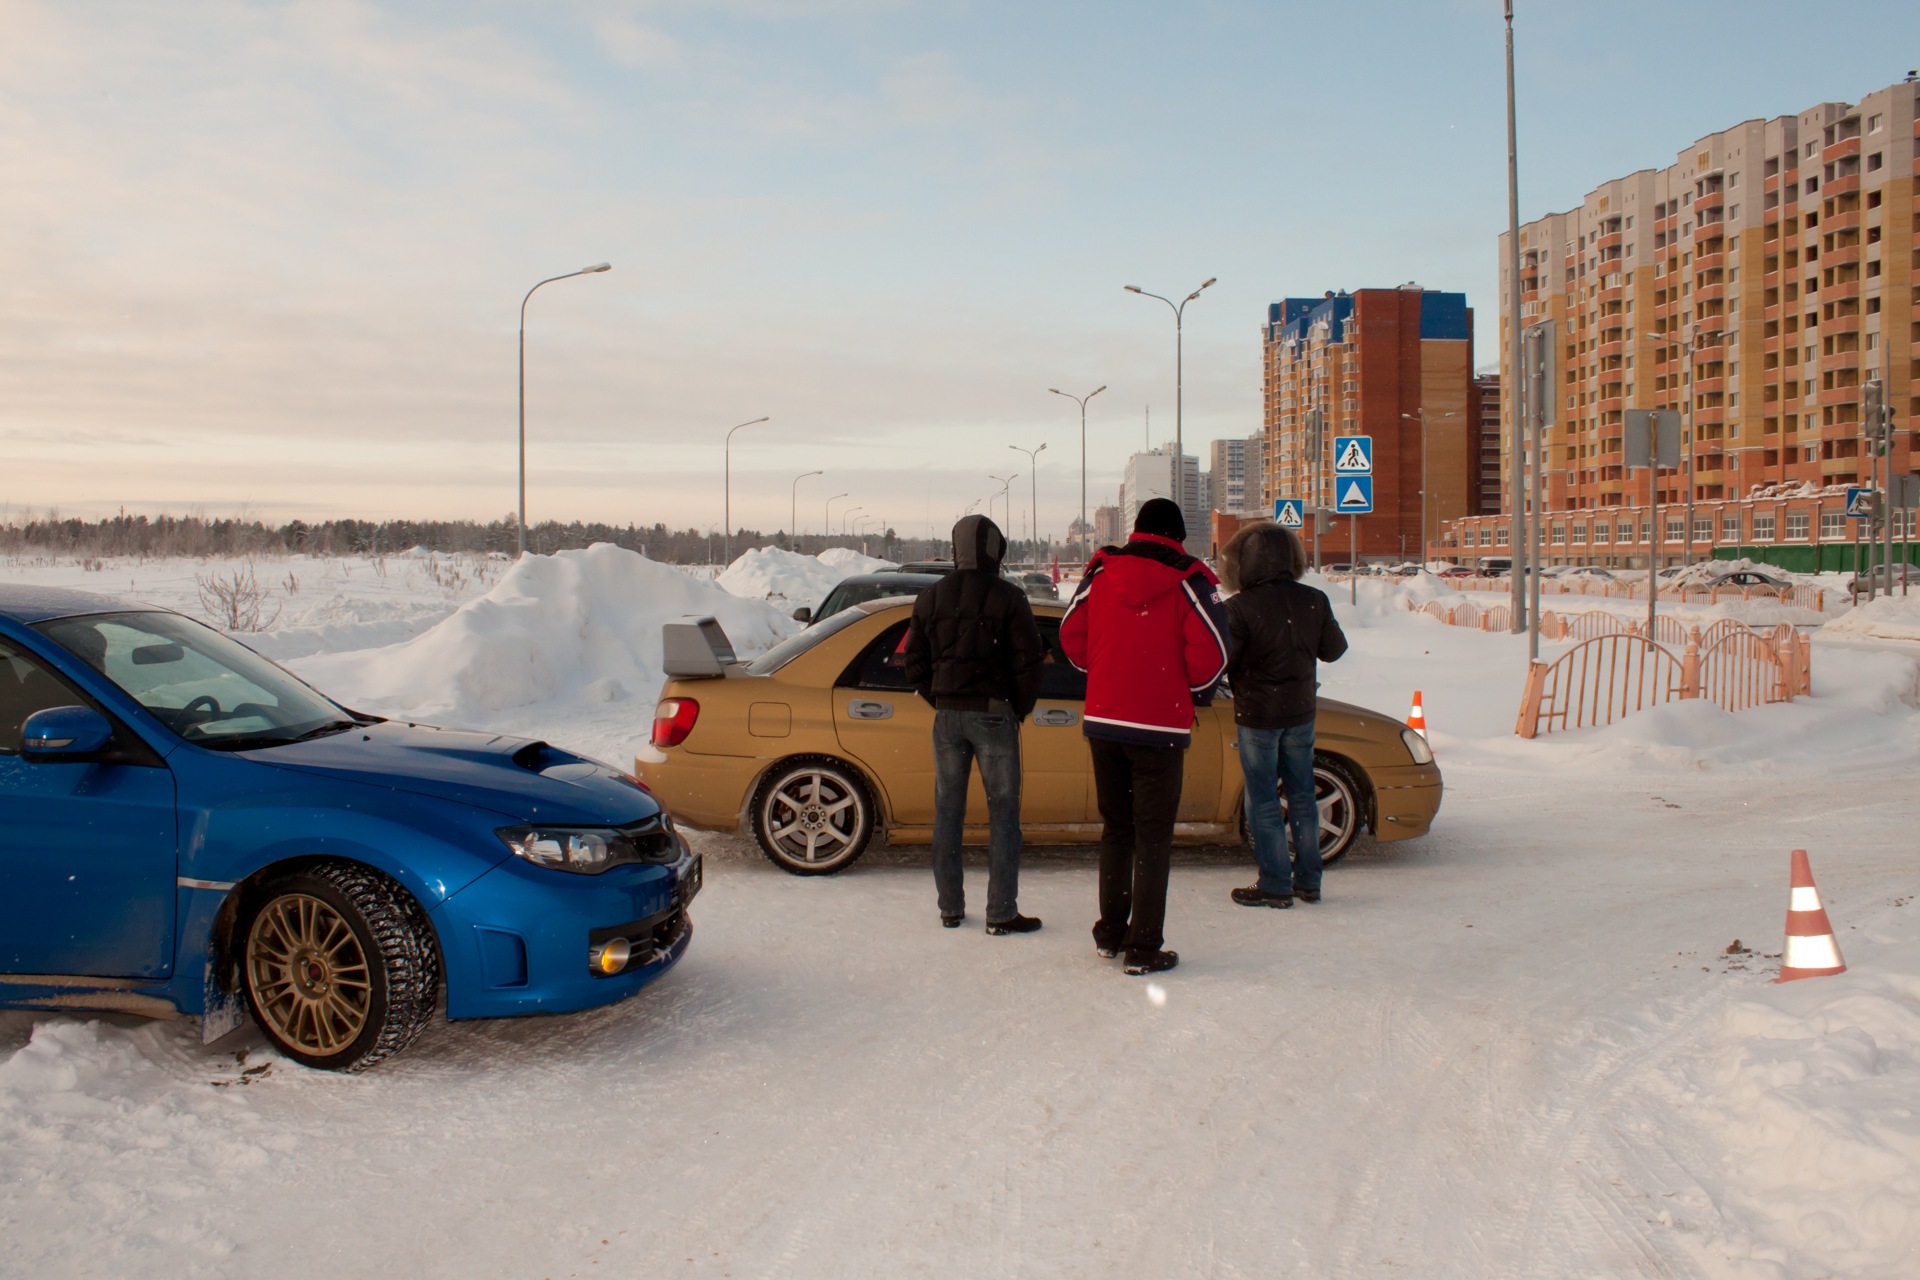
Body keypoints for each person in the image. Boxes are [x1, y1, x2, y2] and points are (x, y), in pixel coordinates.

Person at [1060, 498, 1229, 975]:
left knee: (1117, 829)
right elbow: (1215, 651)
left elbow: (1071, 634)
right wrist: (1187, 691)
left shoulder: (1101, 572)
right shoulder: (1189, 579)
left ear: (1136, 530)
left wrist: (1105, 677)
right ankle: (1144, 947)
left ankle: (1110, 934)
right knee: (1153, 838)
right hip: (1159, 726)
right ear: (1177, 535)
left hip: (1106, 723)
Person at [903, 514, 1046, 934]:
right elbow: (1028, 661)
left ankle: (950, 907)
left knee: (948, 812)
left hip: (947, 717)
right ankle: (1000, 912)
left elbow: (914, 663)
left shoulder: (931, 598)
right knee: (1004, 814)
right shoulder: (1009, 597)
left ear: (955, 549)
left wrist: (941, 698)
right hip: (993, 713)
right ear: (995, 550)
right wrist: (1016, 708)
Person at [1218, 521, 1348, 909]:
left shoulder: (1238, 607)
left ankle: (1275, 882)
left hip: (1257, 715)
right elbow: (1334, 649)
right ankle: (1309, 881)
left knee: (1263, 799)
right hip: (1301, 711)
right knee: (1303, 796)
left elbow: (1224, 660)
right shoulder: (1314, 599)